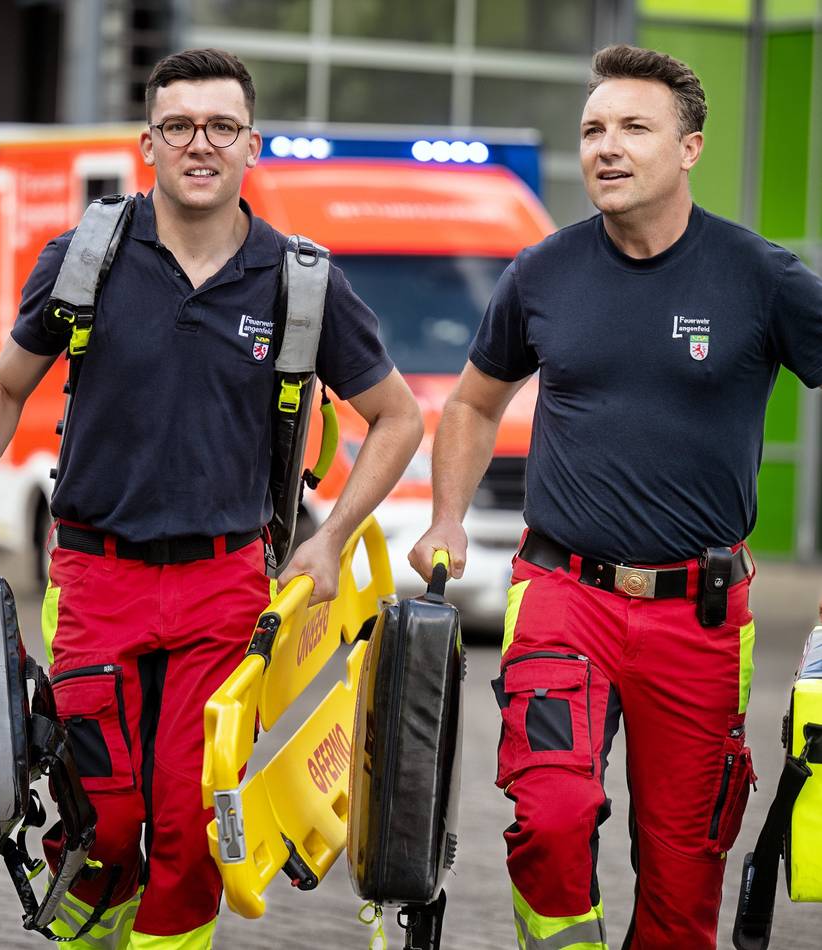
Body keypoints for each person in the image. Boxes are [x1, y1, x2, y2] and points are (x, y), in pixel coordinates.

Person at [0, 48, 422, 950]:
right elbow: (1, 389)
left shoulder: (300, 281)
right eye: (180, 126)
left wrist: (332, 538)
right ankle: (90, 920)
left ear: (251, 144)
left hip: (224, 587)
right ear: (149, 143)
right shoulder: (84, 258)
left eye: (222, 127)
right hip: (95, 578)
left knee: (194, 825)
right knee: (106, 819)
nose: (202, 144)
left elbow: (399, 418)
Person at [410, 43, 822, 950]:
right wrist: (447, 517)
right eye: (594, 128)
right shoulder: (544, 273)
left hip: (704, 616)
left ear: (691, 148)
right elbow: (476, 402)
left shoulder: (760, 277)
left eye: (635, 127)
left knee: (685, 871)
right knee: (549, 814)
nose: (607, 146)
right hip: (562, 593)